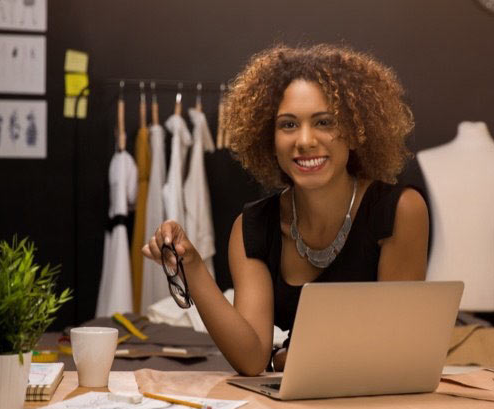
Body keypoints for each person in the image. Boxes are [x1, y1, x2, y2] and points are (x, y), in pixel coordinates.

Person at [143, 44, 429, 375]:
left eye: (324, 122)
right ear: (270, 139)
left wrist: (291, 357)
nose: (305, 140)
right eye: (288, 125)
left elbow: (396, 348)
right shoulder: (254, 227)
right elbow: (251, 359)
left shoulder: (399, 212)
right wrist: (190, 266)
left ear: (354, 133)